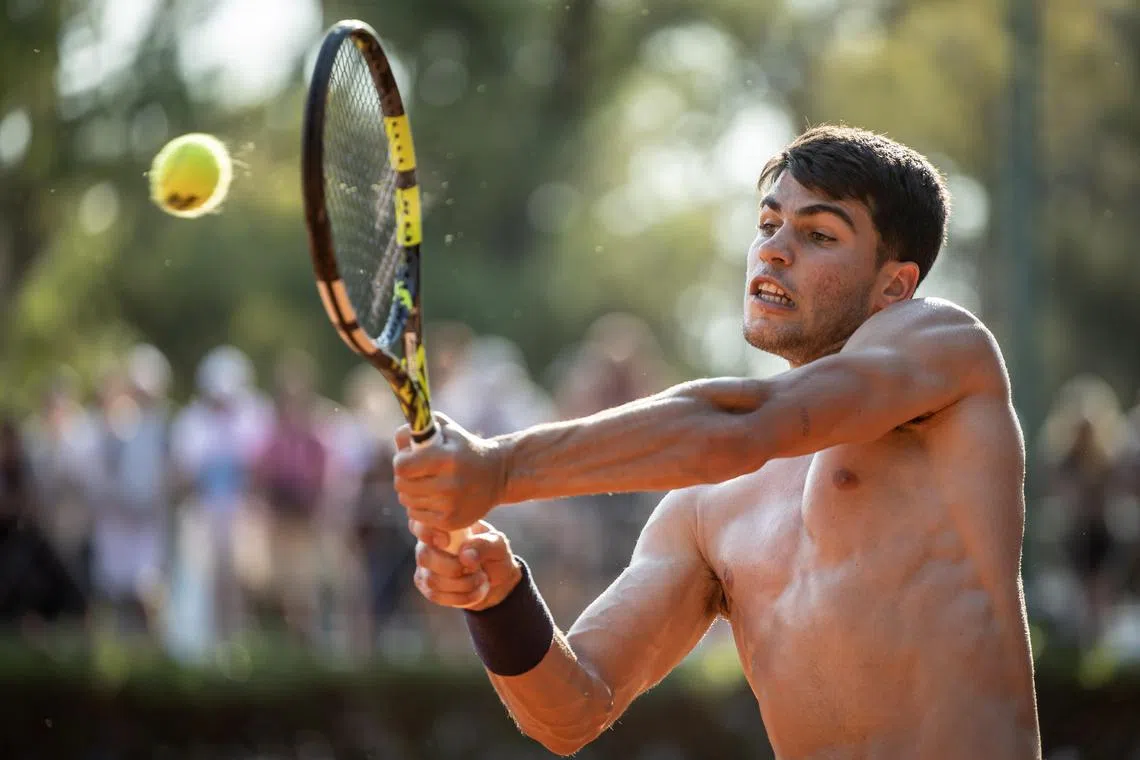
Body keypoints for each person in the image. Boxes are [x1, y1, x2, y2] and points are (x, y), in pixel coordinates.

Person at [393, 125, 1043, 758]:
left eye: (818, 234)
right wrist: (497, 597)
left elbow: (743, 426)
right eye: (766, 225)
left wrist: (498, 468)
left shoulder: (948, 350)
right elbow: (571, 712)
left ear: (894, 288)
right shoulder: (707, 508)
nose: (774, 250)